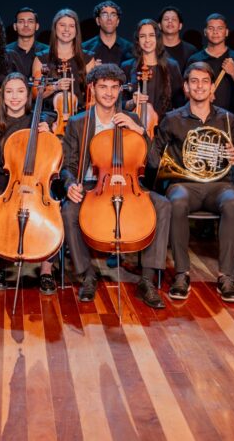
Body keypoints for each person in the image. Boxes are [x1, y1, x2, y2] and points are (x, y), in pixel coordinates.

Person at [59, 63, 171, 309]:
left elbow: (153, 162)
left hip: (130, 184)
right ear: (92, 89)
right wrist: (70, 184)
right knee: (69, 211)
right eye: (103, 87)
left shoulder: (130, 119)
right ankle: (86, 274)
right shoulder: (79, 123)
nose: (109, 93)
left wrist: (140, 131)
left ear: (121, 90)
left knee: (162, 205)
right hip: (92, 184)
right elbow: (66, 164)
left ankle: (147, 280)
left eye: (114, 87)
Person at [149, 62, 234, 302]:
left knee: (233, 203)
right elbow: (153, 158)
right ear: (186, 87)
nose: (199, 86)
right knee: (176, 202)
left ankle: (226, 275)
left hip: (219, 185)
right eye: (194, 82)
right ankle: (182, 273)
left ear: (212, 88)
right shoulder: (171, 119)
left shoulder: (228, 120)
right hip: (183, 184)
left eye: (204, 82)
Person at [0, 73, 59, 292]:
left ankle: (46, 271)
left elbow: (54, 157)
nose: (15, 97)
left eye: (20, 91)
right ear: (2, 96)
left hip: (35, 186)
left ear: (28, 95)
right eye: (9, 91)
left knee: (54, 214)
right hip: (3, 187)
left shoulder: (40, 122)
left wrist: (48, 133)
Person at [122, 19, 184, 116]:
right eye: (142, 36)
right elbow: (120, 103)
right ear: (138, 40)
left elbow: (180, 102)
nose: (147, 40)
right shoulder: (127, 66)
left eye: (151, 35)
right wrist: (131, 102)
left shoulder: (172, 66)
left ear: (157, 38)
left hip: (166, 125)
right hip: (135, 126)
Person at [186, 13, 234, 114]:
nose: (215, 32)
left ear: (226, 32)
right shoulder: (195, 59)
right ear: (205, 32)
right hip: (201, 114)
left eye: (220, 28)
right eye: (211, 28)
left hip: (232, 115)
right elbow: (186, 90)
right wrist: (202, 97)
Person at [82, 0, 132, 66]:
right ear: (98, 21)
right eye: (105, 15)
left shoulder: (130, 49)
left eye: (113, 15)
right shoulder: (85, 48)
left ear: (117, 21)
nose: (109, 19)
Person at [5, 7, 48, 78]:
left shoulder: (47, 51)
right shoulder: (5, 51)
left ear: (37, 26)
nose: (26, 25)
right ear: (15, 26)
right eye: (21, 21)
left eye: (30, 21)